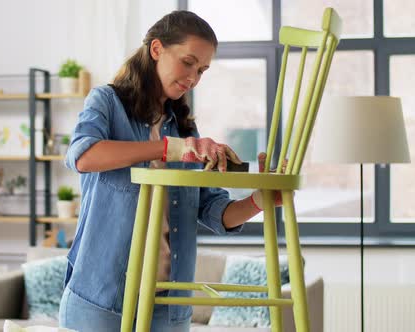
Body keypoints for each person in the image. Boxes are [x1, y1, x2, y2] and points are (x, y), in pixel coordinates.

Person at [59, 10, 282, 332]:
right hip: (101, 294)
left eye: (202, 70)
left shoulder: (184, 125)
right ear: (156, 49)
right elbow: (84, 156)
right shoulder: (106, 102)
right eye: (188, 62)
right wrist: (171, 148)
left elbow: (212, 210)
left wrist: (259, 201)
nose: (193, 78)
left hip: (167, 299)